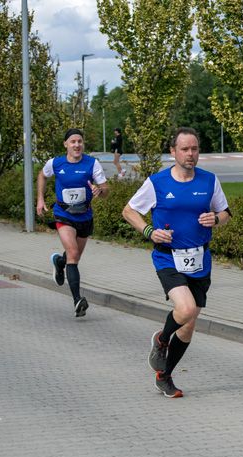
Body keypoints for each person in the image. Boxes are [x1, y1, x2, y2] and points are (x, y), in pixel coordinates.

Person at [122, 127, 231, 398]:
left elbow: (225, 212)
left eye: (194, 149)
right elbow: (128, 211)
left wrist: (215, 219)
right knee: (186, 308)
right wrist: (149, 231)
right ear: (173, 152)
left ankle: (165, 375)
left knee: (189, 323)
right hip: (168, 257)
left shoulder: (209, 181)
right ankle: (161, 339)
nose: (191, 154)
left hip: (200, 259)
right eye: (184, 149)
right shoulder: (158, 183)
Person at [36, 128, 109, 317]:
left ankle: (59, 262)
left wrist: (100, 191)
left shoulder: (92, 164)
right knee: (74, 253)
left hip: (84, 216)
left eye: (80, 141)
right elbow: (42, 176)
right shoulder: (55, 163)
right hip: (63, 214)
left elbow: (106, 190)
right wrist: (40, 200)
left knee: (72, 257)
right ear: (66, 144)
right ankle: (78, 300)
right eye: (73, 142)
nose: (77, 145)